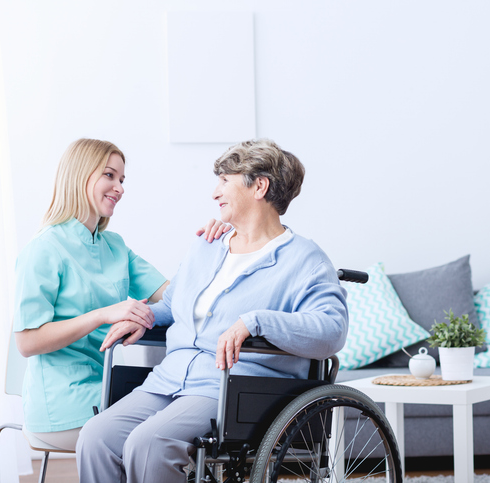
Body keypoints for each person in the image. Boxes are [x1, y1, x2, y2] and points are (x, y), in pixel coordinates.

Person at [77, 138, 348, 482]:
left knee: (148, 444)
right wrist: (140, 317)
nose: (215, 192)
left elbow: (331, 329)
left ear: (259, 187)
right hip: (169, 378)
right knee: (96, 438)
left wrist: (256, 322)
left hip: (232, 388)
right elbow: (176, 305)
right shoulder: (207, 247)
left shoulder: (304, 259)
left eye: (225, 181)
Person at [13, 138, 227, 452]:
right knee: (166, 435)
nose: (120, 187)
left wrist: (216, 243)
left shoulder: (113, 246)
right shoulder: (44, 249)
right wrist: (103, 314)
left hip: (108, 385)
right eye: (109, 175)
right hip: (62, 402)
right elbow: (27, 342)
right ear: (80, 175)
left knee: (182, 418)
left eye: (122, 179)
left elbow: (177, 295)